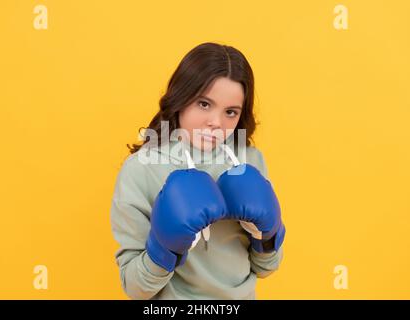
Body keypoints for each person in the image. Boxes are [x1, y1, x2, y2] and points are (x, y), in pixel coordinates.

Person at [110, 42, 285, 299]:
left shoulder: (248, 160)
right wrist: (163, 249)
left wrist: (266, 236)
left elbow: (266, 268)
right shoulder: (141, 170)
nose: (215, 122)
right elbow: (135, 287)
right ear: (182, 96)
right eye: (204, 104)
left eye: (230, 112)